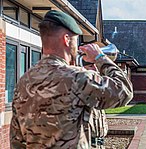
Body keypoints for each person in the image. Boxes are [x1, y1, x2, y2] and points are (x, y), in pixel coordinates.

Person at [10, 10, 133, 148]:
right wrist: (100, 58)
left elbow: (16, 140)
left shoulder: (23, 81)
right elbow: (124, 92)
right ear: (66, 39)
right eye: (76, 40)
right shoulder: (77, 78)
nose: (77, 46)